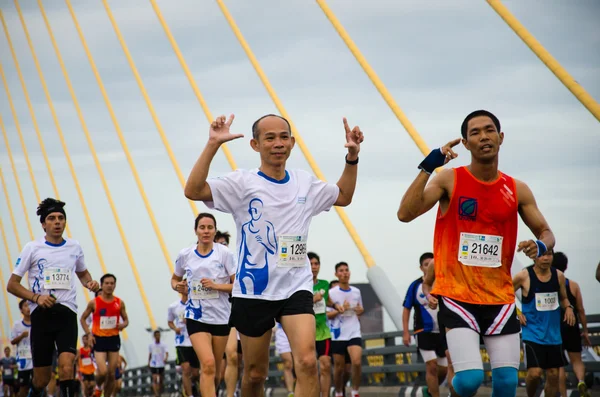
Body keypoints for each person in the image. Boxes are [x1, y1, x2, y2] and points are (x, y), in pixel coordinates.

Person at [184, 113, 362, 397]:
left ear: (292, 142)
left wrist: (352, 157)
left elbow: (343, 195)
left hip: (296, 286)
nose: (278, 143)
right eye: (270, 138)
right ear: (255, 145)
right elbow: (193, 190)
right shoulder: (242, 182)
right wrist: (213, 144)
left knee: (306, 361)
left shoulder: (305, 182)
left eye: (283, 137)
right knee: (255, 374)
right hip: (254, 290)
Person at [397, 110, 556, 397]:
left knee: (507, 384)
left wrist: (541, 246)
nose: (484, 136)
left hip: (500, 297)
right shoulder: (449, 180)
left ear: (501, 137)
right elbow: (405, 214)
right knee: (469, 381)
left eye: (489, 130)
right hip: (458, 297)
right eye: (475, 133)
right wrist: (428, 167)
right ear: (467, 143)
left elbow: (546, 233)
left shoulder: (517, 189)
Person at [6, 198, 100, 397]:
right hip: (42, 315)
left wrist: (90, 283)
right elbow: (12, 285)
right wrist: (36, 298)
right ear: (43, 224)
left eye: (60, 218)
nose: (57, 222)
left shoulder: (74, 247)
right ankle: (34, 392)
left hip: (67, 313)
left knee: (67, 368)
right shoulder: (32, 248)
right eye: (51, 218)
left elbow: (83, 274)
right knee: (42, 379)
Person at [171, 213, 236, 397]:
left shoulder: (225, 254)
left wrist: (216, 286)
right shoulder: (186, 255)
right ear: (196, 231)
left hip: (221, 318)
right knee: (207, 364)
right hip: (196, 316)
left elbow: (237, 285)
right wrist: (178, 286)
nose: (206, 231)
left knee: (215, 373)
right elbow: (175, 279)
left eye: (209, 227)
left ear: (215, 230)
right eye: (202, 227)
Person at [513, 249, 575, 397]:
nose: (546, 258)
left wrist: (568, 308)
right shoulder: (524, 275)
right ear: (534, 257)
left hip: (553, 334)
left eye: (549, 254)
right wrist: (517, 312)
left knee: (553, 375)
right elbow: (505, 294)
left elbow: (564, 298)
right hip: (532, 332)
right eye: (542, 255)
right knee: (535, 373)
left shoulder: (558, 276)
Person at [402, 253, 448, 397]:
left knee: (444, 369)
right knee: (432, 366)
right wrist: (405, 332)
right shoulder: (415, 286)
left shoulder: (443, 283)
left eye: (431, 263)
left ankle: (428, 391)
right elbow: (406, 308)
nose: (429, 267)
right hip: (423, 330)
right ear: (421, 268)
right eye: (426, 265)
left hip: (442, 331)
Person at [80, 274, 128, 397]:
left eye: (112, 283)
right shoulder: (94, 303)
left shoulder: (119, 303)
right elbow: (83, 319)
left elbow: (126, 320)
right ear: (101, 285)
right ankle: (98, 386)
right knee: (103, 372)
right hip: (99, 340)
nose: (109, 285)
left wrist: (122, 325)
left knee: (112, 373)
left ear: (115, 285)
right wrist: (89, 334)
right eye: (106, 283)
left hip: (113, 339)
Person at [552, 252, 592, 397]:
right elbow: (580, 310)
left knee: (559, 365)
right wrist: (585, 330)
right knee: (577, 360)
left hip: (556, 327)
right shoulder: (573, 285)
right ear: (566, 266)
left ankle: (562, 395)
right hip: (572, 325)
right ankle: (581, 380)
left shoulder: (550, 285)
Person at [328, 263, 364, 397]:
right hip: (338, 333)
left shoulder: (356, 291)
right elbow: (327, 315)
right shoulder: (331, 293)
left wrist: (360, 310)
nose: (345, 273)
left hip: (354, 331)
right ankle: (338, 392)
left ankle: (355, 392)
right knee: (339, 369)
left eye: (347, 270)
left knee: (357, 362)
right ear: (336, 274)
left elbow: (360, 309)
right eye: (341, 271)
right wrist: (339, 309)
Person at [309, 252, 334, 397]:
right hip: (306, 333)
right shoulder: (300, 285)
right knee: (310, 368)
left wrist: (337, 306)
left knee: (325, 365)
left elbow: (327, 300)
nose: (314, 267)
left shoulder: (324, 284)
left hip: (323, 332)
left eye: (316, 264)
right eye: (311, 264)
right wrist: (313, 299)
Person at [167, 290, 200, 397]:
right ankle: (189, 395)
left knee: (195, 373)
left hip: (195, 341)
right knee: (186, 369)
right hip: (181, 342)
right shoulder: (173, 306)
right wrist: (175, 328)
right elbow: (170, 321)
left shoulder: (197, 304)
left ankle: (192, 385)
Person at [10, 300, 33, 397]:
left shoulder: (37, 324)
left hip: (36, 360)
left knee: (38, 385)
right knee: (24, 387)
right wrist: (22, 336)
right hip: (23, 362)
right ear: (21, 310)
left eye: (29, 306)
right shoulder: (17, 325)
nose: (28, 308)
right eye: (25, 306)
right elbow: (12, 341)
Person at [274, 324, 295, 396]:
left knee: (299, 363)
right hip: (282, 332)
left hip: (297, 330)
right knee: (288, 363)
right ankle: (290, 392)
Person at [148, 330, 168, 397]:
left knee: (161, 380)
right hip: (153, 364)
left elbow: (167, 353)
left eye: (158, 335)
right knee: (155, 379)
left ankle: (159, 392)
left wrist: (165, 358)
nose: (157, 337)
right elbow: (150, 354)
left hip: (161, 364)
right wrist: (148, 362)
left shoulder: (163, 344)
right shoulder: (151, 345)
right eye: (156, 335)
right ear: (154, 336)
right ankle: (156, 394)